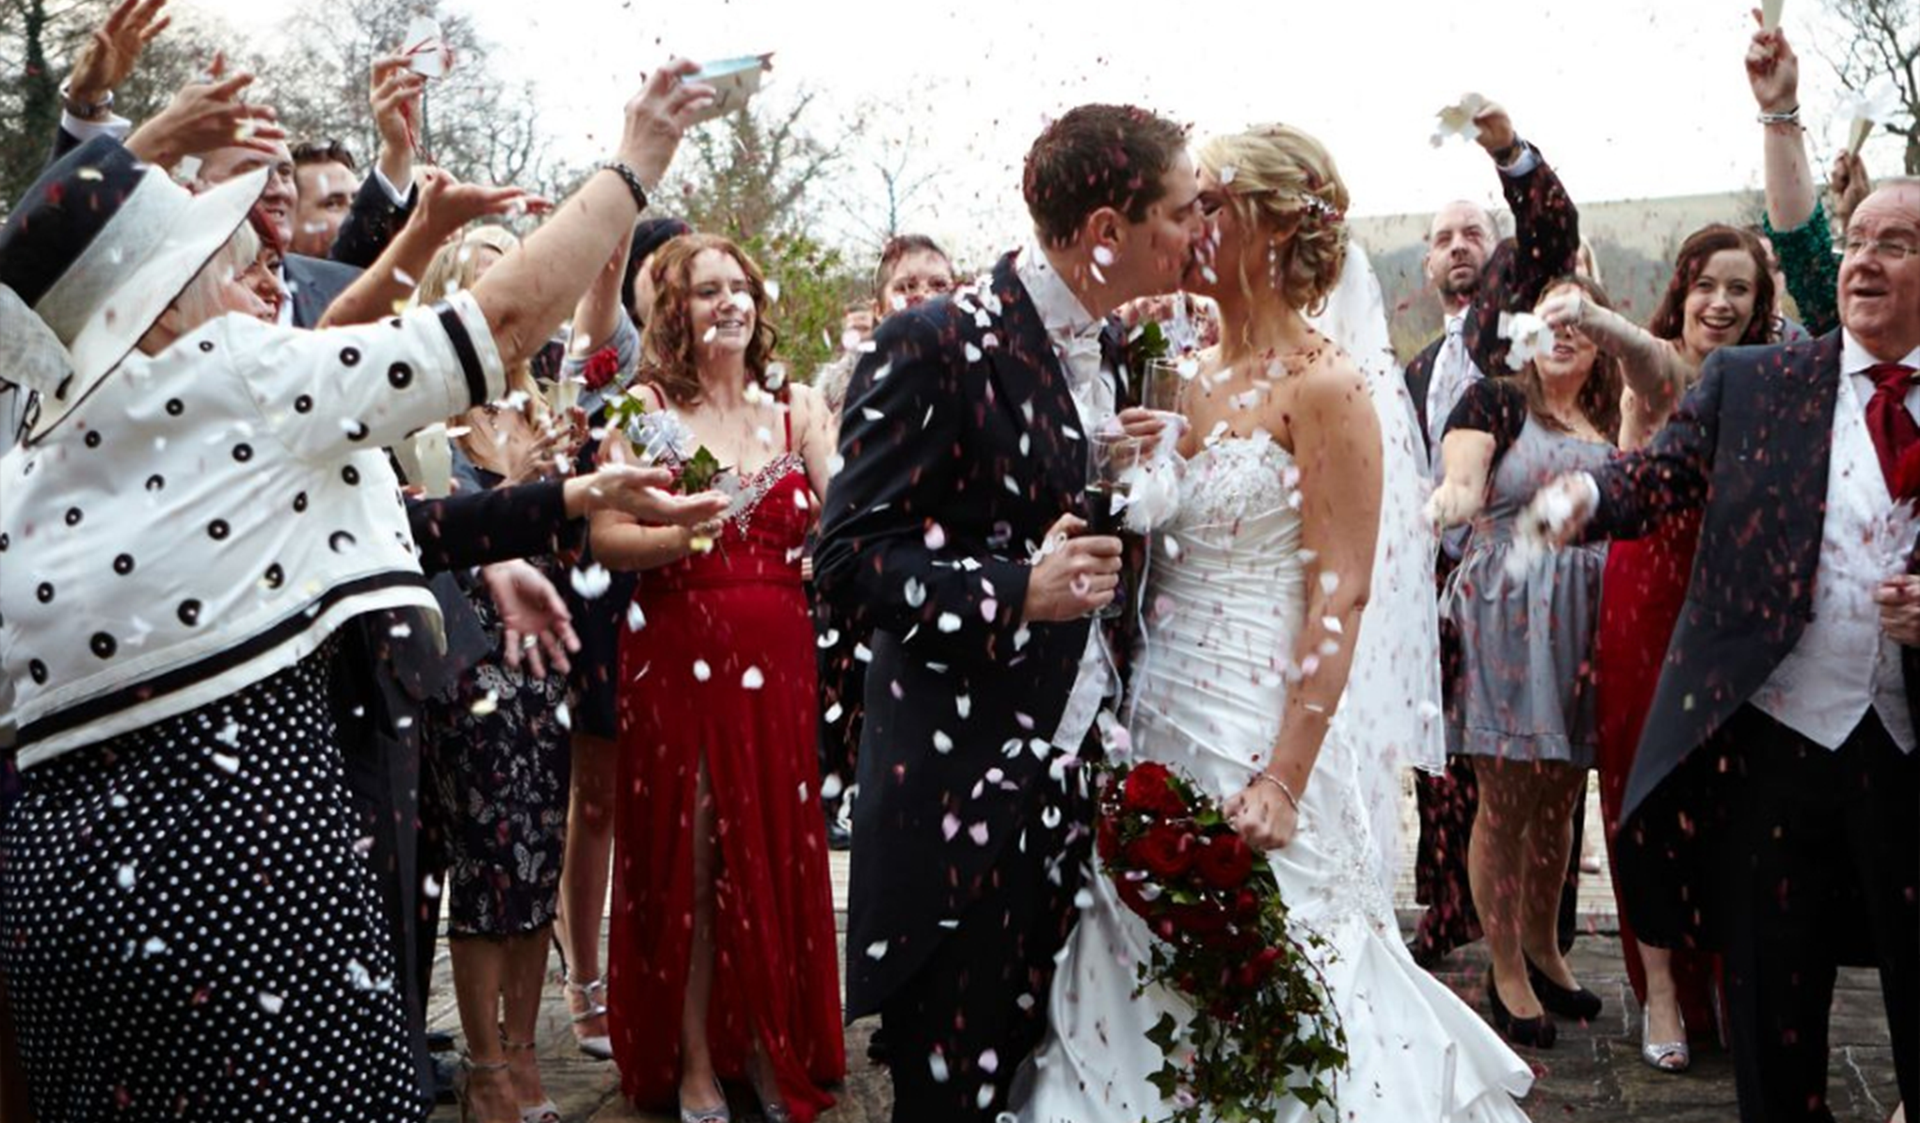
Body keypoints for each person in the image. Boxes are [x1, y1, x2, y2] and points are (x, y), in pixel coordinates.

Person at [0, 59, 720, 1119]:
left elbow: (389, 489)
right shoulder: (230, 375)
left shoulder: (32, 442)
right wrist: (635, 160)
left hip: (58, 897)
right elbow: (502, 323)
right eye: (213, 260)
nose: (248, 269)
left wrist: (561, 497)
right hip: (235, 869)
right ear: (154, 311)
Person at [1021, 121, 1531, 1122]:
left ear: (1271, 225)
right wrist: (1120, 478)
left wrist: (1285, 777)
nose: (1189, 224)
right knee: (1142, 946)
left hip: (1265, 721)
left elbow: (1342, 594)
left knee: (1287, 962)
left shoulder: (1328, 382)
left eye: (1210, 204)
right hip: (1160, 707)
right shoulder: (1176, 365)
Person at [816, 103, 1207, 1122]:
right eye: (1180, 210)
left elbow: (1053, 519)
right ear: (1107, 230)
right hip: (964, 797)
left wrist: (1125, 479)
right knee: (952, 1090)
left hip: (1074, 778)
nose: (1197, 230)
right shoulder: (934, 339)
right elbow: (850, 562)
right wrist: (1013, 592)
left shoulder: (1112, 353)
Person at [1526, 165, 1920, 1117]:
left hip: (1911, 758)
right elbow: (1658, 479)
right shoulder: (1761, 381)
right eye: (1856, 240)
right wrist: (1586, 495)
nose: (1862, 260)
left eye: (1894, 245)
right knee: (1774, 1018)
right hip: (1778, 746)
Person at [592, 233, 844, 1123]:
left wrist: (826, 547)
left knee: (772, 850)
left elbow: (847, 521)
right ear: (676, 313)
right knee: (696, 855)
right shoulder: (650, 411)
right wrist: (682, 536)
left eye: (739, 287)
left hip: (780, 658)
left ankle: (774, 1044)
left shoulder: (796, 411)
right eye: (706, 291)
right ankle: (696, 1059)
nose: (728, 302)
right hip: (677, 653)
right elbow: (606, 538)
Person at [1540, 222, 1777, 1071]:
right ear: (1682, 288)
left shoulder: (1772, 375)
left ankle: (1724, 977)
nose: (1720, 302)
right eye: (1707, 284)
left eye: (1739, 289)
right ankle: (1664, 990)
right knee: (1643, 790)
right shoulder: (1663, 366)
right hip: (1647, 595)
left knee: (1727, 797)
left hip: (1730, 601)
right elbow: (1658, 367)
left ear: (1759, 303)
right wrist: (1597, 322)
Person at [1400, 99, 1586, 969]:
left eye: (1475, 230)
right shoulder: (1405, 369)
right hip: (1427, 587)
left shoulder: (1514, 327)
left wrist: (1508, 152)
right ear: (1429, 261)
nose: (1461, 245)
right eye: (1444, 237)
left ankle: (1540, 937)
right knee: (1442, 764)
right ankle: (1447, 911)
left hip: (1523, 578)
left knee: (1540, 765)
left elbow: (1550, 220)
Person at [409, 226, 581, 1123]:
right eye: (484, 281)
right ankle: (483, 1067)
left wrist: (569, 479)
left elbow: (566, 537)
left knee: (539, 856)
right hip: (467, 659)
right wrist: (515, 481)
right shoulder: (427, 418)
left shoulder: (539, 402)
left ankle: (522, 1050)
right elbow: (429, 528)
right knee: (487, 864)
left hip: (542, 654)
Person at [1430, 273, 1621, 1049]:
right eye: (1551, 319)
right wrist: (1432, 507)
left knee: (1561, 796)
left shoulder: (1614, 411)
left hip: (1587, 616)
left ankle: (1545, 948)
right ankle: (1503, 966)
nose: (1566, 332)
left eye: (1581, 319)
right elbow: (1461, 488)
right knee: (1505, 800)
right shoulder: (1493, 403)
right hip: (1508, 612)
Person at [550, 214, 693, 1063]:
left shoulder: (705, 371)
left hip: (683, 585)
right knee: (597, 795)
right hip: (607, 585)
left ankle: (666, 970)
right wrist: (608, 249)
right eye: (665, 272)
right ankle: (587, 975)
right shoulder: (613, 364)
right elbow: (595, 319)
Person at [811, 233, 960, 856]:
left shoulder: (980, 375)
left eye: (936, 285)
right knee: (849, 710)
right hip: (866, 573)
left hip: (950, 576)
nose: (922, 297)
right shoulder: (846, 386)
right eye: (907, 286)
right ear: (880, 306)